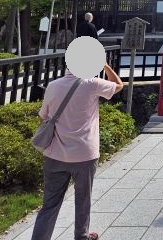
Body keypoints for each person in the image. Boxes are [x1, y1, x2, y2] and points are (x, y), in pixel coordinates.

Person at [31, 62, 124, 240]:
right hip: (84, 154)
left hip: (55, 154)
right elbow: (119, 85)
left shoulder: (53, 85)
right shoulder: (92, 83)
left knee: (49, 204)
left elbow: (43, 116)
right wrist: (105, 66)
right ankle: (81, 236)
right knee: (83, 199)